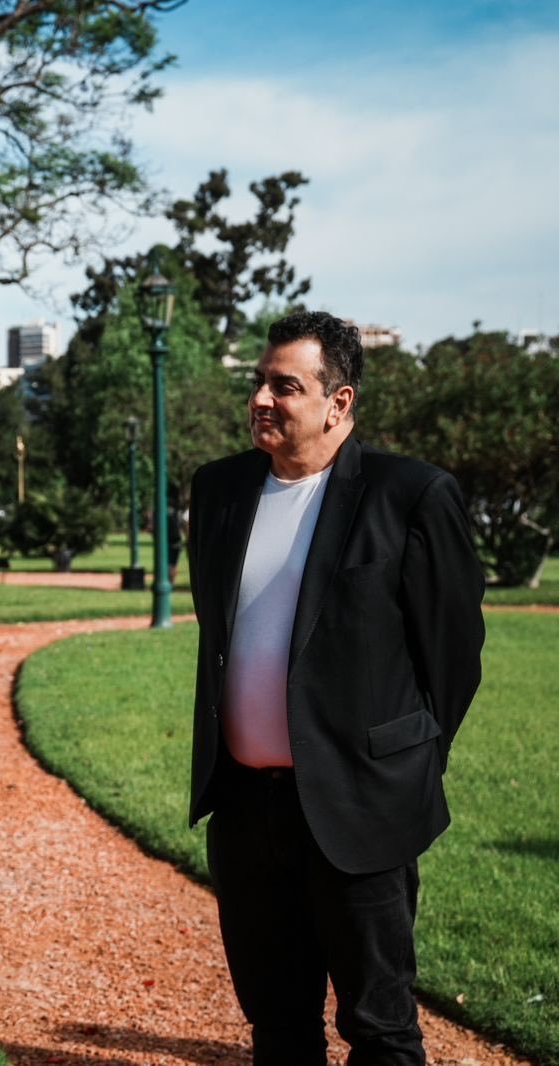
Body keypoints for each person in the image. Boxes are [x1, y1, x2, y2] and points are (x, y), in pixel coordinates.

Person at [188, 311, 484, 1063]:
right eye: (258, 381)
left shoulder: (410, 496)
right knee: (278, 1024)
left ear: (338, 402)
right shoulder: (219, 492)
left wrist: (403, 763)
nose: (261, 397)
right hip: (248, 811)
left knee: (379, 1028)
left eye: (284, 385)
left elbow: (453, 655)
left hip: (361, 806)